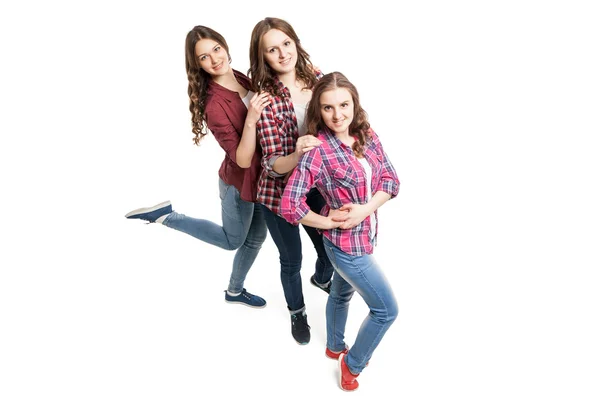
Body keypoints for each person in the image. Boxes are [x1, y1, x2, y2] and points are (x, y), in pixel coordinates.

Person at [125, 26, 270, 308]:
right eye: (204, 57)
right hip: (239, 184)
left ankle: (234, 291)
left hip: (263, 178)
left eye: (216, 49)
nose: (215, 59)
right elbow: (241, 159)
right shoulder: (214, 104)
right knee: (232, 241)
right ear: (198, 65)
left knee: (256, 238)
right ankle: (167, 217)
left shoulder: (241, 77)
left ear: (225, 46)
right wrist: (251, 119)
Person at [280, 72, 400, 391]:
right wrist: (328, 220)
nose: (338, 115)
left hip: (364, 234)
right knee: (386, 310)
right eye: (328, 108)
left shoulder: (365, 133)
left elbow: (390, 180)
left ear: (354, 102)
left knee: (341, 291)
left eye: (344, 104)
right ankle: (351, 363)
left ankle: (334, 346)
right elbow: (290, 204)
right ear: (318, 111)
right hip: (346, 246)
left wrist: (365, 209)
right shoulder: (318, 150)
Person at [248, 17, 335, 345]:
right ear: (264, 57)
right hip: (278, 194)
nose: (283, 53)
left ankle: (321, 278)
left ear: (295, 42)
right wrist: (298, 152)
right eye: (272, 49)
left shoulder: (318, 78)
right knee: (291, 259)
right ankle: (297, 311)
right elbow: (270, 165)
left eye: (286, 43)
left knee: (328, 250)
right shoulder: (267, 98)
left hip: (314, 186)